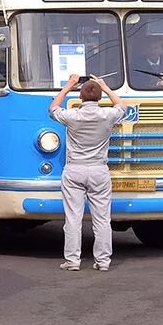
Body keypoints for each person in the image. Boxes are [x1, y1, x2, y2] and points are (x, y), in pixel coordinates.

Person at [49, 74, 129, 272]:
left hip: (74, 169)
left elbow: (52, 109)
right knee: (102, 219)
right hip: (99, 170)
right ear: (100, 98)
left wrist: (68, 85)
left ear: (81, 98)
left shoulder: (72, 116)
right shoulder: (108, 115)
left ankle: (72, 260)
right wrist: (105, 86)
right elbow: (123, 107)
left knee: (73, 218)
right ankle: (103, 261)